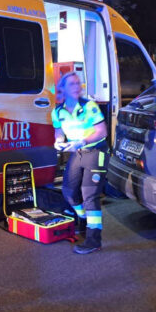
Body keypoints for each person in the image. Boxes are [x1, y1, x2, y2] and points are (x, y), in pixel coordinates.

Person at [52, 72, 109, 254]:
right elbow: (59, 131)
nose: (77, 86)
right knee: (68, 191)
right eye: (72, 84)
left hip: (95, 150)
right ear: (62, 88)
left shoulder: (89, 106)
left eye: (78, 83)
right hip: (77, 152)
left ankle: (93, 241)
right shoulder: (57, 111)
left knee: (89, 195)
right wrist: (59, 141)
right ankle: (84, 220)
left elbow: (102, 131)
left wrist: (82, 141)